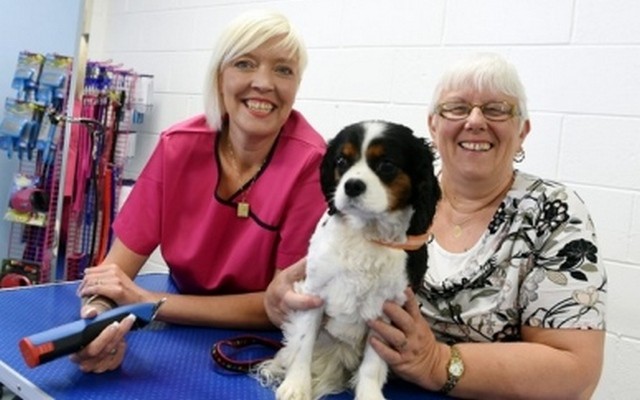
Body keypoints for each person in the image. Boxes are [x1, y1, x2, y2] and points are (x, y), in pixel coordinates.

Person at [265, 53, 607, 399]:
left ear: (523, 131)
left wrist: (438, 362)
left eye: (497, 109)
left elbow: (576, 372)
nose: (474, 121)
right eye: (456, 108)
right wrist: (281, 300)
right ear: (433, 124)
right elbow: (313, 292)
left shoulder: (555, 213)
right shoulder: (369, 201)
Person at [72, 9, 327, 373]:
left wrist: (150, 302)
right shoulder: (177, 146)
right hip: (178, 330)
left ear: (296, 85)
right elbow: (114, 273)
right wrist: (97, 319)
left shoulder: (313, 165)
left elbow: (282, 304)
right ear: (220, 76)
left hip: (263, 348)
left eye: (283, 70)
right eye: (245, 63)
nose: (264, 83)